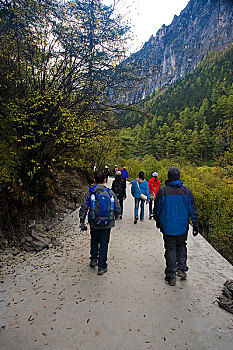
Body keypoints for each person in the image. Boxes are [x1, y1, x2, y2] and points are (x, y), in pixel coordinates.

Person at [154, 166, 198, 286]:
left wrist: (158, 221)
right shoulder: (186, 191)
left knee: (170, 249)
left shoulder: (162, 191)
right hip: (182, 227)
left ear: (168, 177)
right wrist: (195, 225)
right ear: (179, 177)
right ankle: (182, 269)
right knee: (181, 246)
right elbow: (192, 210)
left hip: (168, 227)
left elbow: (157, 210)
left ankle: (171, 275)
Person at [79, 172, 121, 275]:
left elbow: (84, 207)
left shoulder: (90, 192)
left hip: (94, 222)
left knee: (94, 240)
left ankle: (93, 260)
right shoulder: (109, 192)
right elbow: (117, 207)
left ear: (94, 180)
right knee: (104, 243)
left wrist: (82, 220)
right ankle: (102, 267)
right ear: (104, 180)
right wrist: (114, 216)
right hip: (107, 223)